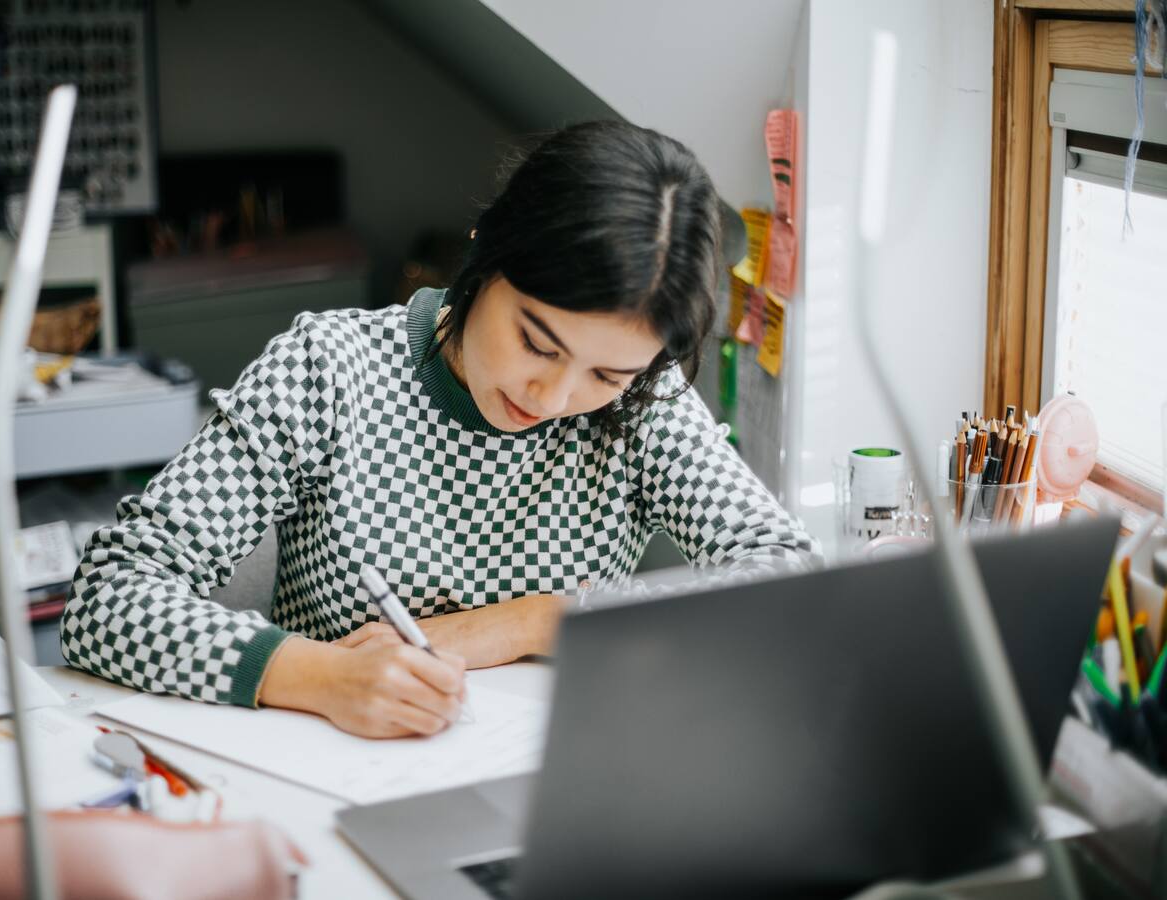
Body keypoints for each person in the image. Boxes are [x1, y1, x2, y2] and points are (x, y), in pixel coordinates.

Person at [61, 120, 818, 739]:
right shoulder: (330, 369)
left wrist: (531, 621)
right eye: (537, 342)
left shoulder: (644, 402)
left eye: (605, 377)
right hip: (339, 768)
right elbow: (110, 596)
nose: (553, 396)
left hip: (550, 777)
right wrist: (321, 676)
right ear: (484, 252)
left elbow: (785, 584)